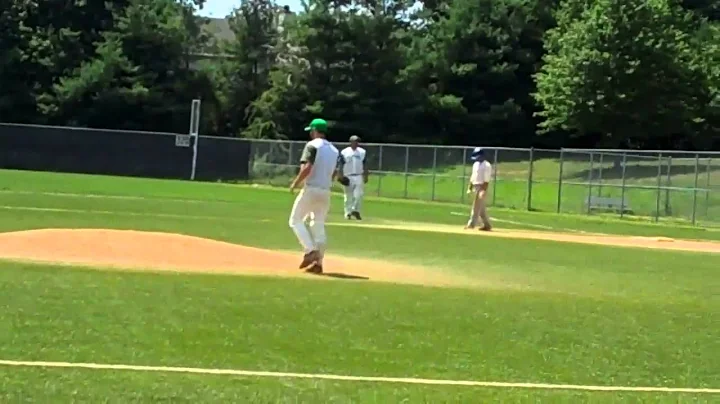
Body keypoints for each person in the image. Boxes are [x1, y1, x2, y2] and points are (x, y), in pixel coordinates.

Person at [289, 118, 339, 274]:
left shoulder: (312, 145)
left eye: (311, 131)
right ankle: (319, 263)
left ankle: (310, 251)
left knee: (295, 220)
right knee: (317, 224)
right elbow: (335, 172)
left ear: (314, 131)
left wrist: (295, 183)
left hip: (311, 188)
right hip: (325, 190)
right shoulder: (334, 150)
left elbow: (307, 167)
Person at [337, 135, 368, 220]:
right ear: (351, 142)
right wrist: (340, 175)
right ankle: (348, 213)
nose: (356, 143)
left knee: (359, 195)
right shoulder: (345, 152)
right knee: (348, 196)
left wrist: (366, 175)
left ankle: (355, 210)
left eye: (357, 141)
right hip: (348, 176)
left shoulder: (362, 152)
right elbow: (340, 164)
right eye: (355, 141)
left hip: (358, 175)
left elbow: (365, 164)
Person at [465, 147, 492, 231]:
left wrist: (483, 190)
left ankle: (471, 224)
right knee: (481, 208)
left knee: (476, 206)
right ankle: (487, 225)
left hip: (481, 186)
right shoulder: (475, 164)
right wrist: (470, 187)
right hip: (475, 186)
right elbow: (473, 177)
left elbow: (486, 180)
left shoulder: (486, 165)